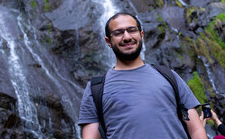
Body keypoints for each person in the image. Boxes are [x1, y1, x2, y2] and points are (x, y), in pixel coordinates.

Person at [78, 12, 207, 139]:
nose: (127, 37)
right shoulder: (95, 89)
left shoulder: (168, 76)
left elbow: (196, 129)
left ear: (141, 35)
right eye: (118, 33)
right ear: (108, 41)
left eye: (132, 30)